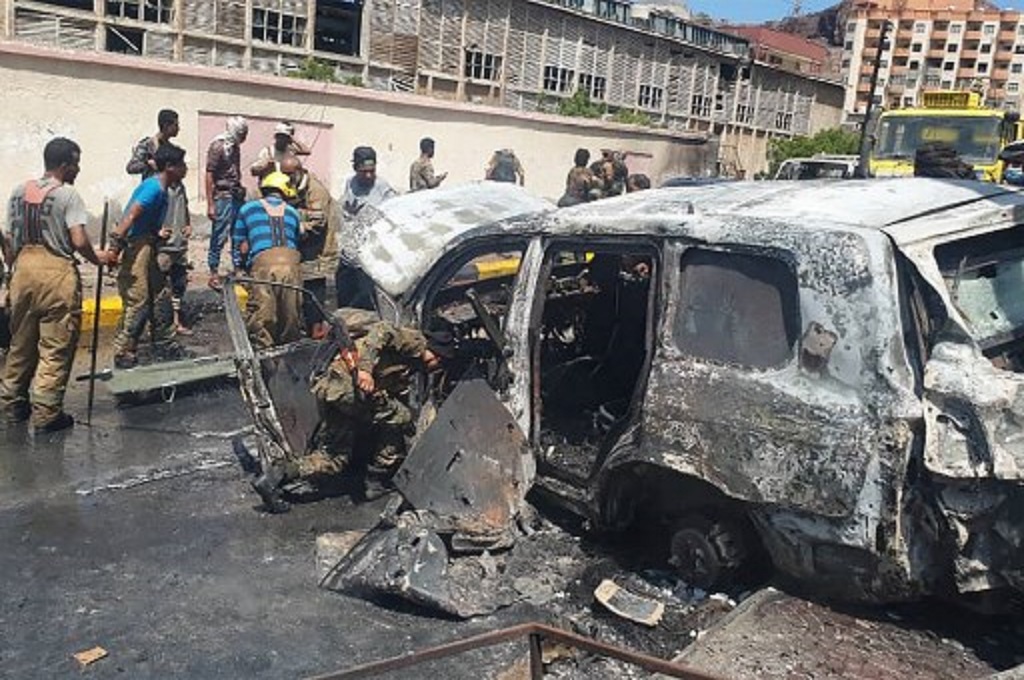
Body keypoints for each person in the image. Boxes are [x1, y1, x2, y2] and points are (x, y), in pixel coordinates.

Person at [0, 138, 112, 432]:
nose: (78, 168)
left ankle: (12, 404)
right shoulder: (68, 195)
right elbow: (77, 239)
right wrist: (96, 258)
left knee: (20, 343)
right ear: (66, 164)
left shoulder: (16, 192)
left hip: (22, 270)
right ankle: (47, 413)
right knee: (55, 346)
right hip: (56, 273)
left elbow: (8, 242)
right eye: (76, 163)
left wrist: (11, 273)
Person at [305, 315, 454, 501]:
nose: (437, 365)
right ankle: (377, 477)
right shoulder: (415, 342)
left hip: (331, 386)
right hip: (345, 384)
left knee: (335, 457)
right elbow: (382, 329)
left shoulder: (414, 365)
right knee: (403, 417)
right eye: (438, 360)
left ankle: (280, 473)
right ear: (435, 352)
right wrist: (365, 370)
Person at [108, 144, 190, 369]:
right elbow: (131, 216)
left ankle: (164, 343)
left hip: (149, 243)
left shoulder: (164, 190)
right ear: (170, 167)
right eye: (182, 165)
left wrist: (157, 234)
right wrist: (114, 248)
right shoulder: (153, 188)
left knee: (160, 295)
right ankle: (124, 350)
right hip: (137, 246)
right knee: (139, 298)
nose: (185, 169)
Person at [125, 108, 192, 335]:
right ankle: (148, 330)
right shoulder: (148, 145)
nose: (179, 128)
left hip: (169, 201)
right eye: (176, 124)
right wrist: (150, 164)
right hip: (153, 207)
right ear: (167, 125)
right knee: (153, 274)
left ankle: (167, 325)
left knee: (173, 272)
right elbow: (130, 167)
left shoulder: (173, 152)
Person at [232, 171, 303, 349]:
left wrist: (238, 267)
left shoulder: (247, 209)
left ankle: (264, 356)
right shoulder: (293, 212)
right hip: (291, 266)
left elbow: (238, 242)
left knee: (263, 315)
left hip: (262, 265)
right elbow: (296, 240)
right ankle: (290, 354)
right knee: (291, 314)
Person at [280, 156, 337, 337]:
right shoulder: (291, 188)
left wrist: (291, 225)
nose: (286, 179)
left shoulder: (315, 191)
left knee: (314, 292)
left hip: (316, 250)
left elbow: (317, 225)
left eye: (289, 175)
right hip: (300, 250)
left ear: (299, 171)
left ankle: (316, 330)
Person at [337, 146, 397, 310]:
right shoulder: (351, 184)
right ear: (355, 168)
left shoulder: (384, 189)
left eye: (372, 170)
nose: (369, 175)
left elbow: (392, 220)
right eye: (364, 171)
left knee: (366, 299)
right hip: (349, 252)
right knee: (345, 296)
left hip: (372, 256)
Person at [205, 115, 248, 291]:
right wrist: (210, 204)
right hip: (222, 196)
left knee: (238, 233)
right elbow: (209, 175)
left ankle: (238, 267)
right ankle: (214, 270)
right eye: (242, 133)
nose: (244, 138)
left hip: (235, 194)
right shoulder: (218, 146)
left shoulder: (234, 147)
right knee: (219, 234)